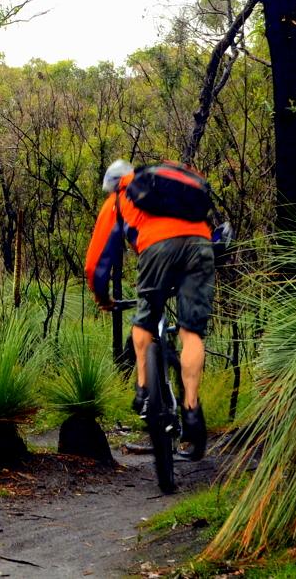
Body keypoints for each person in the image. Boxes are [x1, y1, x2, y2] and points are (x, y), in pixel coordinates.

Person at [83, 159, 215, 460]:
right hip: (200, 245)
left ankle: (144, 391)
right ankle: (192, 411)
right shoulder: (170, 186)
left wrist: (101, 296)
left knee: (144, 320)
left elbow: (97, 261)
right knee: (191, 332)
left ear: (113, 185)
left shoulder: (120, 197)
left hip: (158, 249)